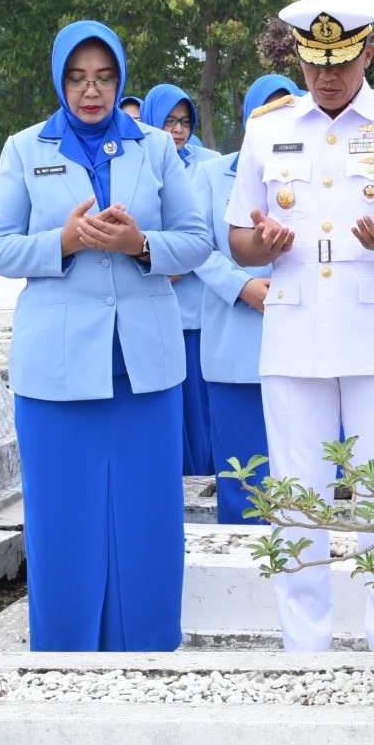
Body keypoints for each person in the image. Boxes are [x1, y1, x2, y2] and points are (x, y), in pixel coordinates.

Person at [226, 0, 374, 652]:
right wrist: (260, 245)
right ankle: (305, 651)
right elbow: (237, 235)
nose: (327, 75)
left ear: (370, 49)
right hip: (294, 332)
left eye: (341, 60)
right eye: (314, 61)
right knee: (297, 501)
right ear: (298, 56)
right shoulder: (268, 127)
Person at [0, 21, 212, 651]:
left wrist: (141, 246)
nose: (91, 91)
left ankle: (150, 640)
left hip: (145, 365)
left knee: (147, 518)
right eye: (78, 78)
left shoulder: (156, 147)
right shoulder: (28, 148)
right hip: (58, 368)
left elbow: (197, 238)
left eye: (104, 78)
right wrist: (64, 242)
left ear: (120, 80)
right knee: (64, 519)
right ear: (60, 80)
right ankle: (63, 646)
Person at [196, 73, 302, 523]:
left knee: (302, 467)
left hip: (303, 335)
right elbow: (196, 244)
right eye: (267, 113)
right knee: (242, 470)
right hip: (235, 338)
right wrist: (243, 286)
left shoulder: (316, 169)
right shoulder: (210, 174)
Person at [141, 84, 216, 478]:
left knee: (203, 411)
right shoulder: (138, 160)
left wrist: (182, 260)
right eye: (169, 121)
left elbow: (207, 235)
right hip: (156, 299)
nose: (177, 130)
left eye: (185, 122)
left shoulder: (208, 163)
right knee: (174, 408)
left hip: (200, 305)